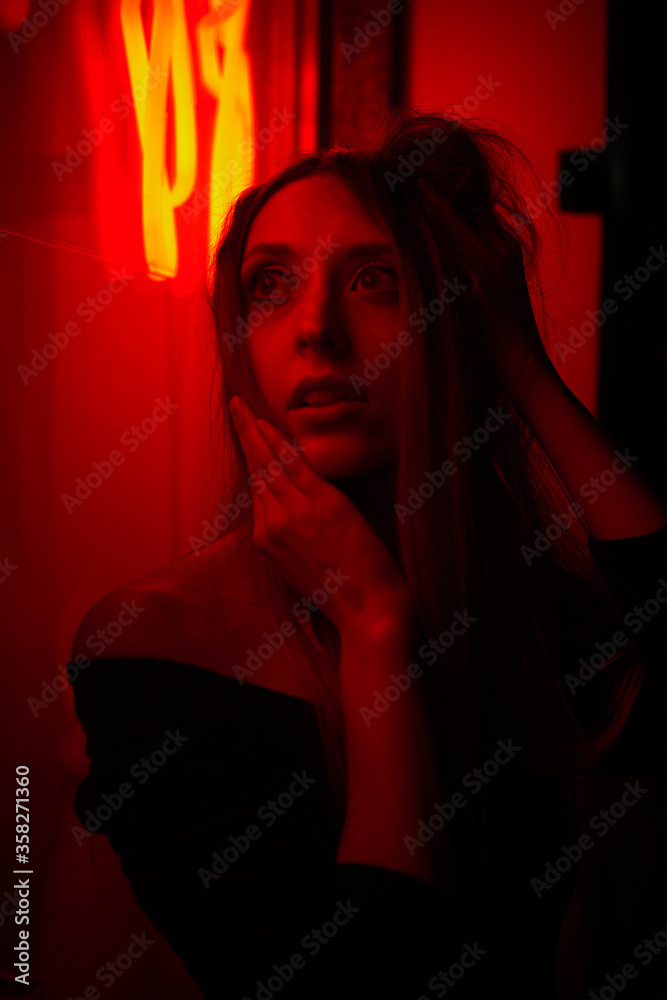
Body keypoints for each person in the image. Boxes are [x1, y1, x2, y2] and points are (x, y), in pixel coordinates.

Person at [68, 107, 667, 999]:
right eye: (271, 284)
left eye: (375, 280)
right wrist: (374, 626)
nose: (315, 328)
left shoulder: (526, 611)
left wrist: (516, 357)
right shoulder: (153, 643)